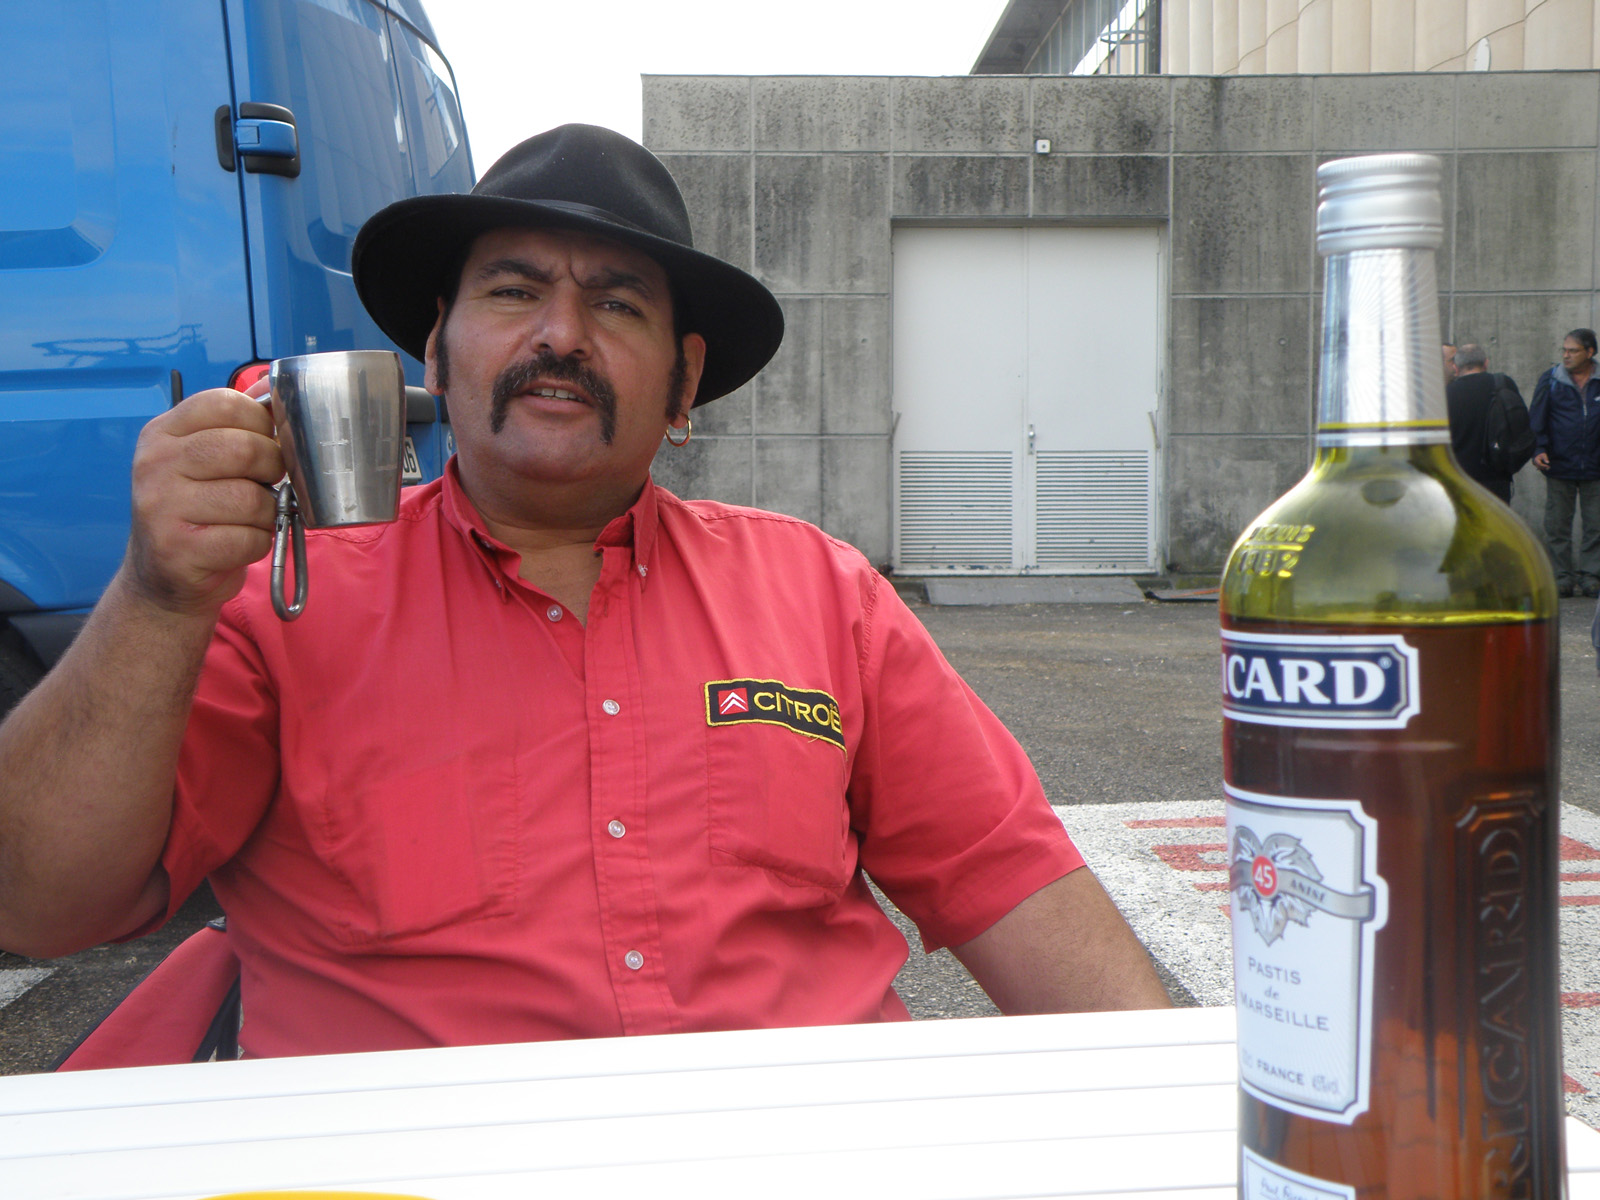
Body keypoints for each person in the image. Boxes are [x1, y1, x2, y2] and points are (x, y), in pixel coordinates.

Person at [0, 126, 1169, 1058]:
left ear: (683, 382)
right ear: (435, 350)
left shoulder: (825, 596)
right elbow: (38, 906)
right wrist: (156, 595)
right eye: (513, 292)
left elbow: (1013, 885)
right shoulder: (273, 604)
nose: (560, 334)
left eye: (616, 304)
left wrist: (1188, 1132)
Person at [1531, 329, 1600, 597]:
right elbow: (1537, 418)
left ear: (1590, 352)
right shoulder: (1551, 379)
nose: (1566, 355)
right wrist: (1538, 449)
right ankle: (1561, 577)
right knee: (1557, 526)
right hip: (1559, 466)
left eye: (1573, 350)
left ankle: (1591, 576)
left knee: (1596, 526)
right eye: (1564, 350)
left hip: (1595, 467)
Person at [1446, 343, 1532, 503]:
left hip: (1460, 479)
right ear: (1486, 363)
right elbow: (1521, 427)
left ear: (1456, 368)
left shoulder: (1447, 394)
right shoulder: (1504, 384)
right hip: (1497, 478)